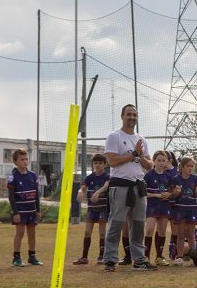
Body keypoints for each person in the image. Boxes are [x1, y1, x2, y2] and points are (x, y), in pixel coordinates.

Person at [102, 104, 156, 272]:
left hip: (138, 187)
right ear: (122, 116)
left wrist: (140, 155)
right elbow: (112, 161)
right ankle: (110, 259)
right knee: (116, 224)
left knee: (139, 225)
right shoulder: (114, 136)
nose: (132, 117)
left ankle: (139, 260)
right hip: (120, 186)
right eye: (129, 114)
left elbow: (149, 166)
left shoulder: (142, 139)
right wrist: (133, 154)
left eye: (134, 114)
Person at [73, 154, 111, 265]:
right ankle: (84, 257)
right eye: (95, 163)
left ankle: (101, 256)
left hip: (102, 208)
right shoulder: (90, 177)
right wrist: (80, 192)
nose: (97, 165)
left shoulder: (107, 176)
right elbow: (83, 186)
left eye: (100, 163)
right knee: (87, 232)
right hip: (91, 209)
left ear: (105, 164)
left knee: (102, 233)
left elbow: (106, 186)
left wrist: (98, 192)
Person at [7, 149, 42, 267]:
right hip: (20, 211)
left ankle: (32, 256)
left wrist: (38, 210)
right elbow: (11, 196)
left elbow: (36, 194)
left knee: (32, 233)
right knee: (20, 232)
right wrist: (15, 212)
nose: (25, 161)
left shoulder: (32, 175)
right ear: (15, 162)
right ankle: (16, 257)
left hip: (31, 210)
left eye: (26, 159)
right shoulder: (13, 176)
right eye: (22, 159)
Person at [142, 150, 177, 266]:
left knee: (162, 231)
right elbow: (143, 192)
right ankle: (146, 257)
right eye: (159, 160)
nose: (161, 163)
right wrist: (156, 195)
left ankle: (159, 257)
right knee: (149, 230)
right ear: (154, 161)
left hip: (165, 206)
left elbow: (173, 190)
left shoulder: (169, 176)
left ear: (167, 161)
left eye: (163, 160)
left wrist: (170, 194)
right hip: (152, 206)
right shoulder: (149, 175)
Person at [171, 156, 197, 266]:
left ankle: (194, 257)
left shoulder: (195, 179)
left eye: (192, 166)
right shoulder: (176, 179)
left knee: (191, 234)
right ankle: (179, 256)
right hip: (180, 208)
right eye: (188, 166)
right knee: (181, 234)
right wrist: (177, 192)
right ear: (182, 167)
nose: (190, 168)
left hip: (191, 209)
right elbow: (173, 195)